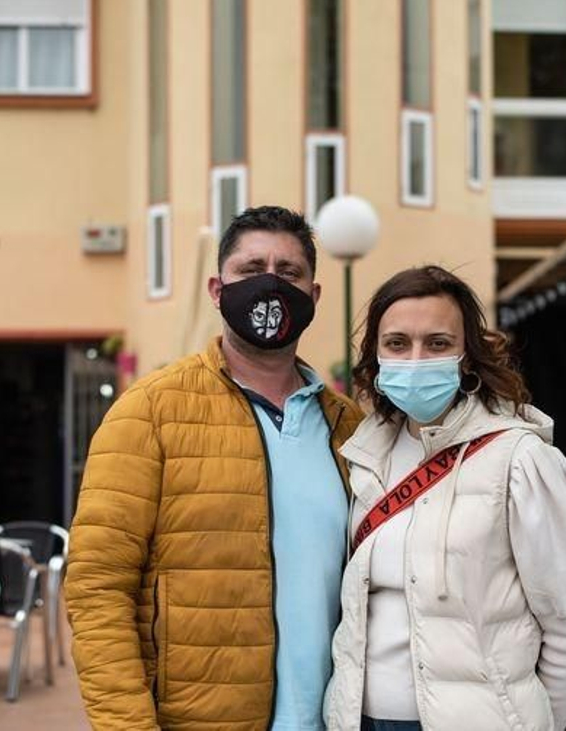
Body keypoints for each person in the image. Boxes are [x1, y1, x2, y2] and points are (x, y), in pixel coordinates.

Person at [65, 206, 363, 730]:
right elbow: (97, 587)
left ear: (314, 296)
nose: (270, 282)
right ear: (217, 288)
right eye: (252, 270)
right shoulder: (150, 412)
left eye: (289, 272)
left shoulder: (349, 429)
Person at [323, 266, 566, 731]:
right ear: (376, 355)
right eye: (397, 343)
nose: (415, 359)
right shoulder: (366, 457)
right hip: (363, 719)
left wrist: (527, 722)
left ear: (467, 357)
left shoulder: (521, 459)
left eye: (437, 343)